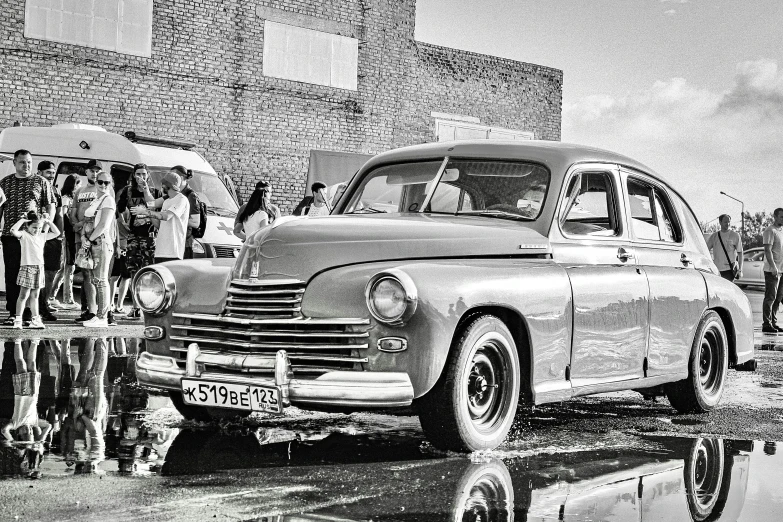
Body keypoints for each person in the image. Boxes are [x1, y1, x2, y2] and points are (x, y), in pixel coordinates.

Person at [0, 150, 56, 326]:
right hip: (11, 235)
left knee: (34, 277)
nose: (27, 166)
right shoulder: (5, 183)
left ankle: (33, 314)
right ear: (15, 163)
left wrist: (46, 227)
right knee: (12, 273)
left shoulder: (41, 181)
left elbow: (50, 204)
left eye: (29, 162)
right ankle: (13, 313)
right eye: (23, 162)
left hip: (33, 237)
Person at [116, 164, 162, 319]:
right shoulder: (128, 191)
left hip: (150, 236)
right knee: (134, 272)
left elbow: (159, 211)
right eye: (138, 174)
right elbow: (119, 209)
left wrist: (146, 191)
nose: (141, 177)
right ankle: (136, 307)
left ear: (148, 175)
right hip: (134, 236)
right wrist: (123, 222)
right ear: (133, 175)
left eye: (144, 174)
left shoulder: (155, 192)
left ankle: (149, 305)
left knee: (149, 272)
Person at [9, 211, 60, 329]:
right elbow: (13, 231)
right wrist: (22, 220)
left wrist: (47, 221)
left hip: (39, 267)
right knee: (23, 295)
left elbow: (57, 233)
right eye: (34, 227)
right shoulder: (24, 235)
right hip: (27, 267)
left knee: (35, 295)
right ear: (27, 226)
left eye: (39, 228)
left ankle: (35, 319)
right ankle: (18, 319)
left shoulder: (42, 236)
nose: (36, 230)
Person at [80, 171, 116, 328]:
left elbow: (103, 225)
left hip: (100, 242)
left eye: (106, 183)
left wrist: (89, 239)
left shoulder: (108, 200)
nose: (102, 185)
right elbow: (87, 222)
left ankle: (103, 316)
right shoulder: (97, 199)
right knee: (95, 279)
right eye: (100, 182)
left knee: (101, 280)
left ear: (110, 184)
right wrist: (83, 238)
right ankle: (99, 315)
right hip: (92, 241)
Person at [130, 170, 189, 263]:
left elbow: (166, 216)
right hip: (160, 251)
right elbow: (152, 207)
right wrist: (146, 189)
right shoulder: (166, 200)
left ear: (168, 185)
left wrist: (145, 212)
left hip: (173, 252)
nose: (161, 186)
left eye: (163, 184)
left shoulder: (181, 199)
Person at [70, 159, 101, 323]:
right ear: (86, 172)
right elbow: (73, 211)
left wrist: (82, 224)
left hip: (94, 238)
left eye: (97, 171)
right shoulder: (80, 190)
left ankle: (96, 311)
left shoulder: (101, 190)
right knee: (84, 273)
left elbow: (98, 214)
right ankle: (87, 309)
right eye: (92, 170)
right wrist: (75, 224)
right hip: (79, 238)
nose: (94, 174)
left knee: (94, 274)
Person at [36, 160, 64, 322]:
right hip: (38, 236)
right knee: (37, 272)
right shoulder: (35, 188)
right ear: (39, 173)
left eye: (53, 173)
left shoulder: (55, 191)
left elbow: (60, 214)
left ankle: (44, 304)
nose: (51, 175)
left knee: (51, 272)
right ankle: (36, 307)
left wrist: (60, 235)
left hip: (54, 238)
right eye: (48, 172)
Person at [50, 174, 81, 310]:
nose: (79, 187)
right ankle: (67, 299)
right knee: (68, 267)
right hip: (67, 236)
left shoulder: (71, 199)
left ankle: (51, 296)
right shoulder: (66, 199)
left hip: (70, 236)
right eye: (78, 184)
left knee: (64, 269)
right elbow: (63, 217)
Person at [762, 208, 783, 333]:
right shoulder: (770, 231)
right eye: (781, 217)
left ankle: (773, 322)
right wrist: (774, 267)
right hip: (772, 270)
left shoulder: (781, 231)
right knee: (770, 297)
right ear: (775, 217)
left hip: (781, 270)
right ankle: (767, 323)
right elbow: (767, 250)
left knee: (778, 298)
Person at [706, 214, 743, 281]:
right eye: (725, 222)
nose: (728, 224)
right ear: (720, 222)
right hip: (717, 270)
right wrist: (709, 263)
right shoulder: (714, 236)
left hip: (729, 270)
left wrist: (740, 269)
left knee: (728, 290)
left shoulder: (735, 235)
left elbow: (740, 253)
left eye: (729, 222)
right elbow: (705, 250)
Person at [177, 167, 204, 259]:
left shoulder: (191, 195)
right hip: (176, 240)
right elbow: (155, 203)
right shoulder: (174, 193)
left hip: (185, 242)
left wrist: (173, 218)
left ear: (180, 177)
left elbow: (195, 222)